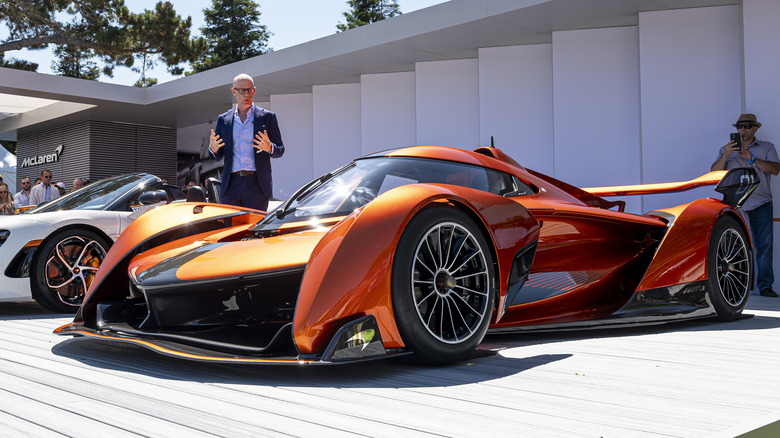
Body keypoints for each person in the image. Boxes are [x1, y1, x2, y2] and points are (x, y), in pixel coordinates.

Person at [712, 113, 780, 297]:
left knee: (764, 246)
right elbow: (713, 174)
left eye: (747, 126)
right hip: (735, 205)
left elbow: (775, 170)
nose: (742, 129)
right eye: (739, 126)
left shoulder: (766, 147)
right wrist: (726, 154)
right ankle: (737, 286)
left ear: (756, 128)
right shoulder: (726, 149)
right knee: (734, 246)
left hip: (761, 203)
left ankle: (765, 286)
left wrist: (752, 159)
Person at [209, 73, 284, 211]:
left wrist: (270, 148)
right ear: (234, 92)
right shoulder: (223, 120)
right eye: (242, 91)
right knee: (230, 228)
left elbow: (280, 149)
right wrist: (213, 149)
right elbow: (218, 155)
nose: (247, 94)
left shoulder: (267, 117)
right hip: (231, 184)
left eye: (250, 90)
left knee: (254, 229)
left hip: (257, 184)